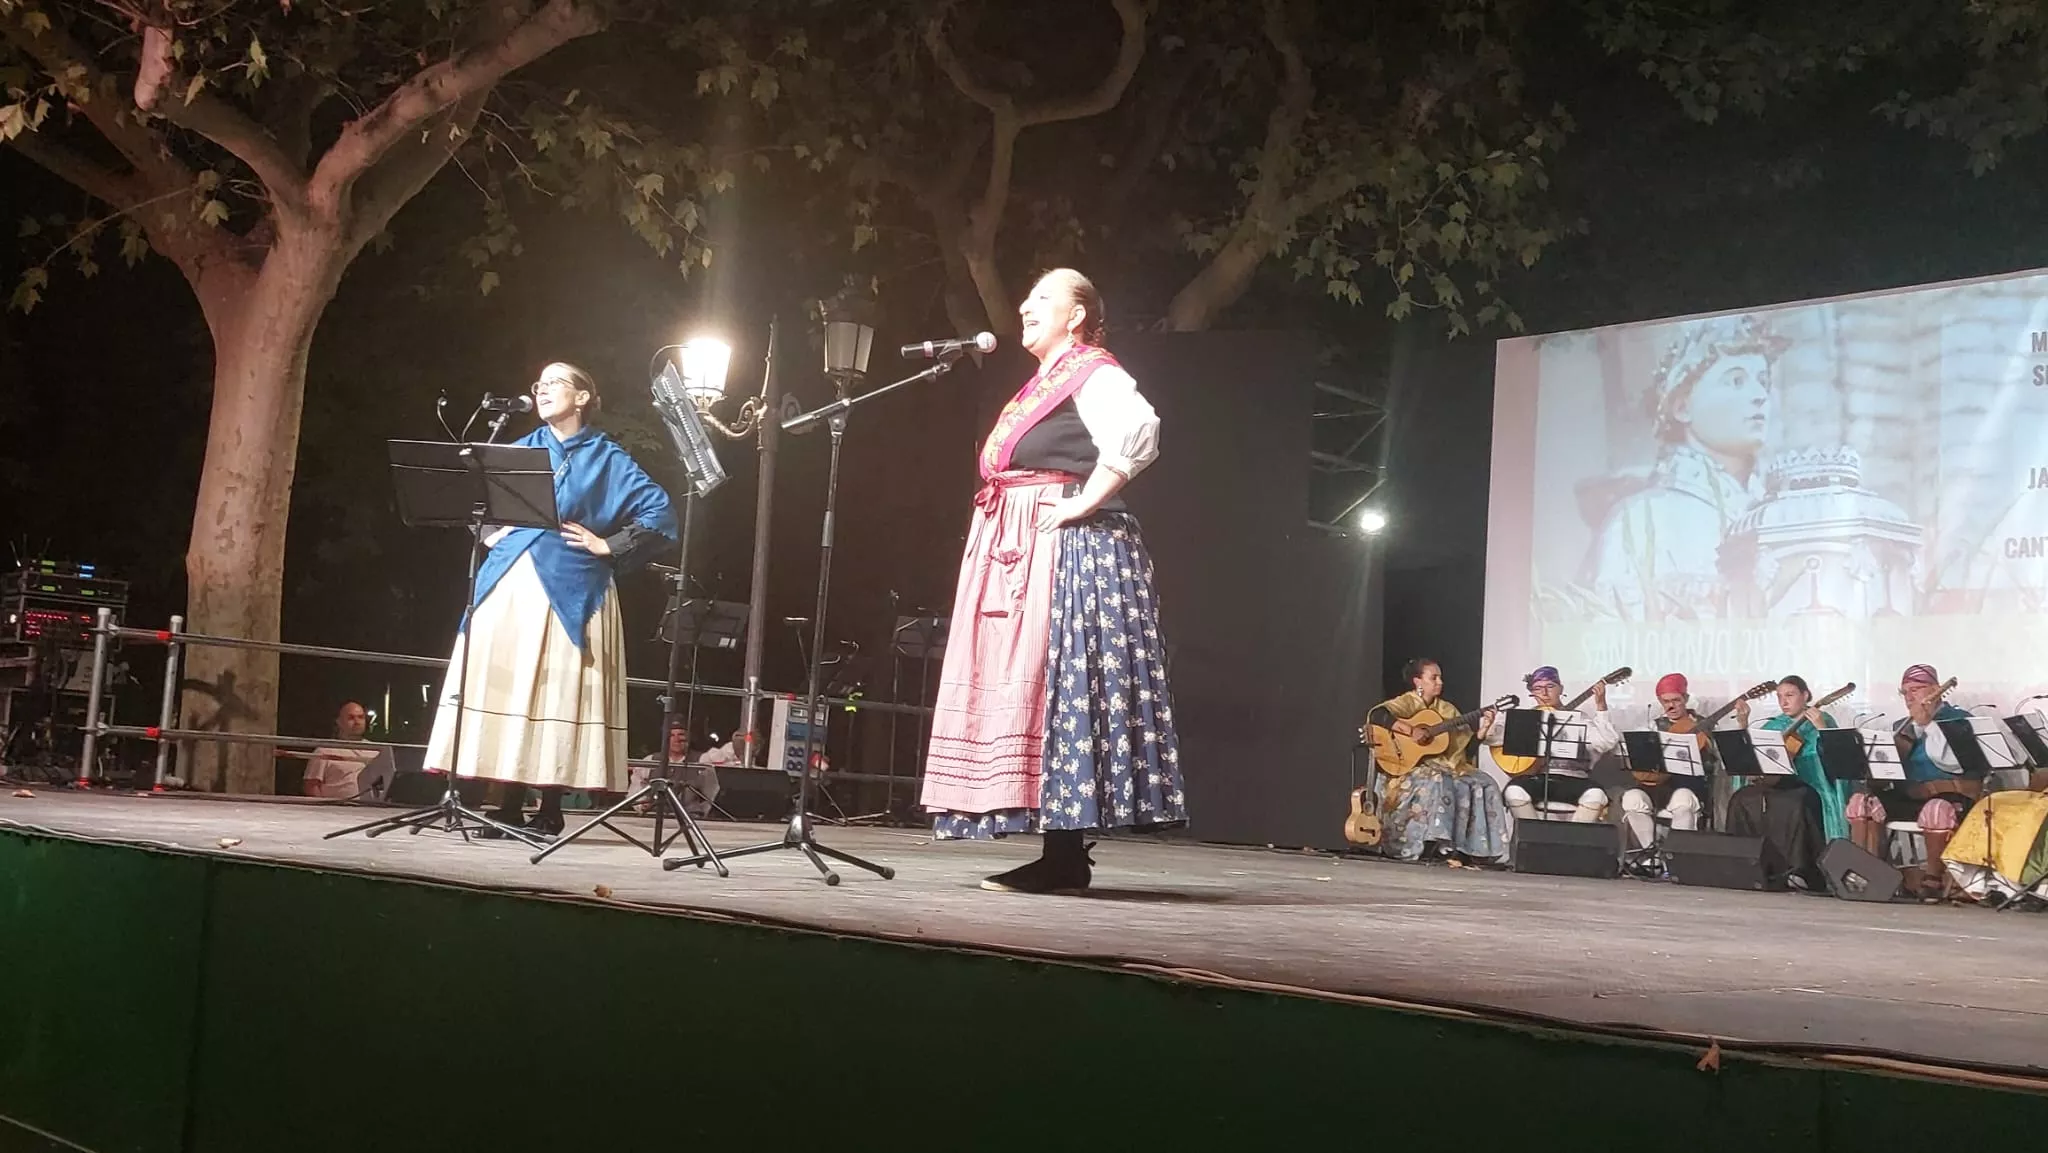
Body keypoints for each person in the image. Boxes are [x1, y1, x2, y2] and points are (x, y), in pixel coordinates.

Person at [921, 268, 1184, 894]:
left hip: (1062, 548)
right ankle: (1059, 853)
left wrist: (1085, 500)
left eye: (1043, 297)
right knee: (1038, 684)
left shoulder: (1093, 370)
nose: (1024, 304)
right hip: (1019, 541)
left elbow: (1140, 428)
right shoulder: (1048, 380)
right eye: (1027, 293)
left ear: (1076, 315)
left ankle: (1064, 856)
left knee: (1056, 682)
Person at [423, 362, 676, 837]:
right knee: (513, 687)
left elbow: (661, 512)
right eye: (538, 384)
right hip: (510, 583)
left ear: (582, 397)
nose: (542, 391)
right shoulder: (520, 448)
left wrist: (610, 545)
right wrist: (494, 535)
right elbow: (473, 497)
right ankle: (506, 803)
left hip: (574, 581)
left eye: (555, 383)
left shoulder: (607, 457)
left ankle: (550, 805)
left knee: (557, 689)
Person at [1580, 315, 1787, 620]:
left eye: (1763, 381)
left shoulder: (1784, 516)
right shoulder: (1637, 522)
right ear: (1682, 406)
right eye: (1736, 380)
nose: (1759, 396)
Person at [1844, 664, 1973, 890]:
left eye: (1916, 689)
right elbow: (1892, 770)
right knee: (1861, 803)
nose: (1909, 697)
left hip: (1950, 795)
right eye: (1905, 692)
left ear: (1936, 689)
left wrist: (1927, 725)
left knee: (1935, 810)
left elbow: (1953, 763)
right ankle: (1870, 873)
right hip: (1910, 795)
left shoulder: (1958, 720)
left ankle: (1933, 879)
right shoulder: (1902, 726)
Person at [1369, 658, 1509, 864]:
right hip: (1409, 766)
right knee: (1438, 780)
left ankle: (1476, 850)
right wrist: (1411, 730)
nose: (1440, 682)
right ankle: (1433, 844)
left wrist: (1482, 731)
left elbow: (1464, 751)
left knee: (1484, 782)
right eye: (1433, 678)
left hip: (1446, 765)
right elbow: (1377, 715)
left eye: (1440, 678)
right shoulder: (1407, 702)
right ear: (1418, 682)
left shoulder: (1448, 710)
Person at [1726, 675, 1839, 887]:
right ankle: (1742, 864)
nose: (1784, 702)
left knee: (1794, 803)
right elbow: (1752, 755)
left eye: (1790, 695)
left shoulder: (1821, 719)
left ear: (1805, 695)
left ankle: (1797, 870)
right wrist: (1743, 723)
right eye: (1779, 697)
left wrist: (1822, 728)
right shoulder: (1773, 725)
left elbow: (1835, 755)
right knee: (1741, 799)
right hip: (1774, 784)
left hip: (1806, 784)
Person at [1486, 666, 1618, 825]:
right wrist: (1495, 720)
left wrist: (1601, 707)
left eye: (1550, 686)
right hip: (1537, 778)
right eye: (1538, 688)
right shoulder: (1527, 719)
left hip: (1575, 779)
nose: (1544, 693)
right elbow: (1492, 739)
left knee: (1597, 795)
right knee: (1513, 792)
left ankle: (1573, 842)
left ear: (1560, 688)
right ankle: (1534, 840)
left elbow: (1607, 742)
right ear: (1532, 692)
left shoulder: (1580, 718)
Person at [1618, 673, 1711, 848]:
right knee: (1632, 798)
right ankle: (1651, 852)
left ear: (1686, 698)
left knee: (1682, 799)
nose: (1671, 706)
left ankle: (1676, 855)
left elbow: (1713, 760)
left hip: (1687, 784)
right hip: (1655, 786)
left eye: (1676, 700)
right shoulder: (1651, 727)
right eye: (1666, 701)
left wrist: (1705, 741)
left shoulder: (1702, 725)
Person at [292, 700, 376, 799]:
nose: (357, 722)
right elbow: (311, 785)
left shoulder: (375, 750)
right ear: (339, 722)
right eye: (351, 718)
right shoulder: (325, 750)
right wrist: (324, 809)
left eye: (360, 717)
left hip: (370, 810)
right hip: (336, 810)